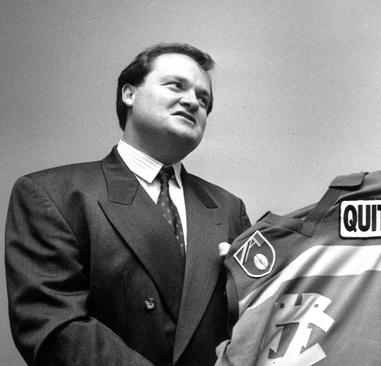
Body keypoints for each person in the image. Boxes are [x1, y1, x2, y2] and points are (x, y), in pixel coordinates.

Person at [5, 43, 251, 366]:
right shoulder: (51, 195)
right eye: (176, 85)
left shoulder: (228, 208)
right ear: (129, 94)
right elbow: (53, 326)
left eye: (203, 100)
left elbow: (251, 321)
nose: (193, 102)